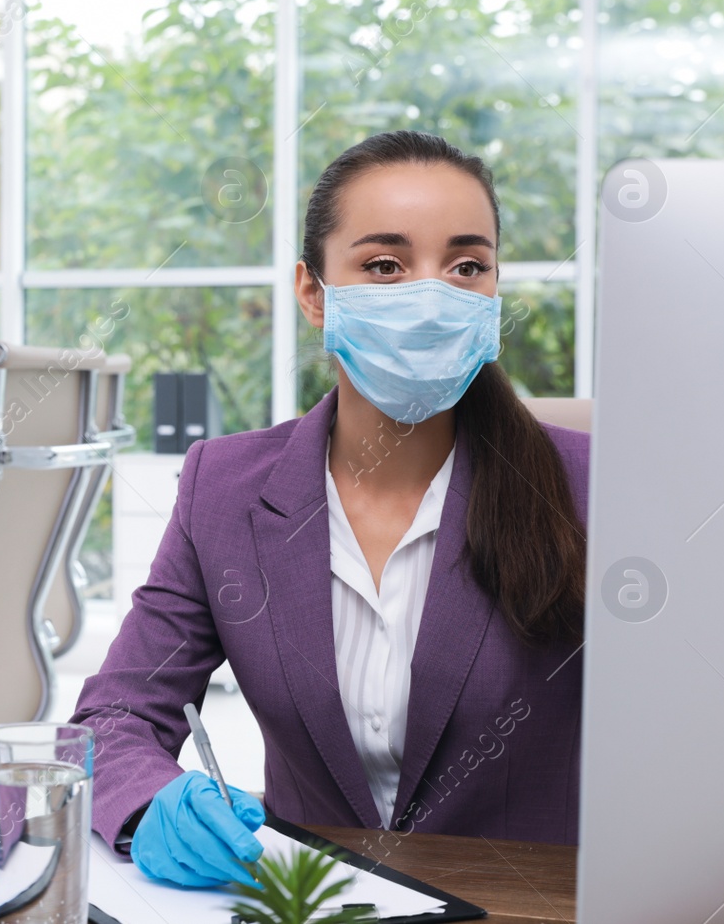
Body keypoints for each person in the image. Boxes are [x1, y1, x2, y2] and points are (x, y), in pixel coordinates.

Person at [70, 130, 589, 888]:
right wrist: (151, 803)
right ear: (314, 292)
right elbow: (115, 715)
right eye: (385, 265)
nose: (430, 295)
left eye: (467, 266)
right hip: (310, 901)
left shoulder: (589, 488)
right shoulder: (224, 487)